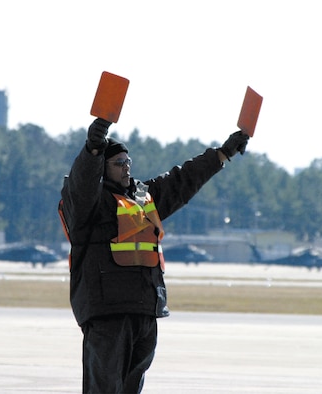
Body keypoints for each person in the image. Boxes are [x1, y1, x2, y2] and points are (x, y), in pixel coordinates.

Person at [59, 118, 249, 393]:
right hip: (108, 314)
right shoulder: (89, 204)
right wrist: (93, 149)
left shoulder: (142, 198)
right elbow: (82, 183)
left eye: (128, 162)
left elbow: (181, 181)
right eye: (118, 163)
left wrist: (222, 154)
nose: (126, 167)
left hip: (144, 311)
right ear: (102, 168)